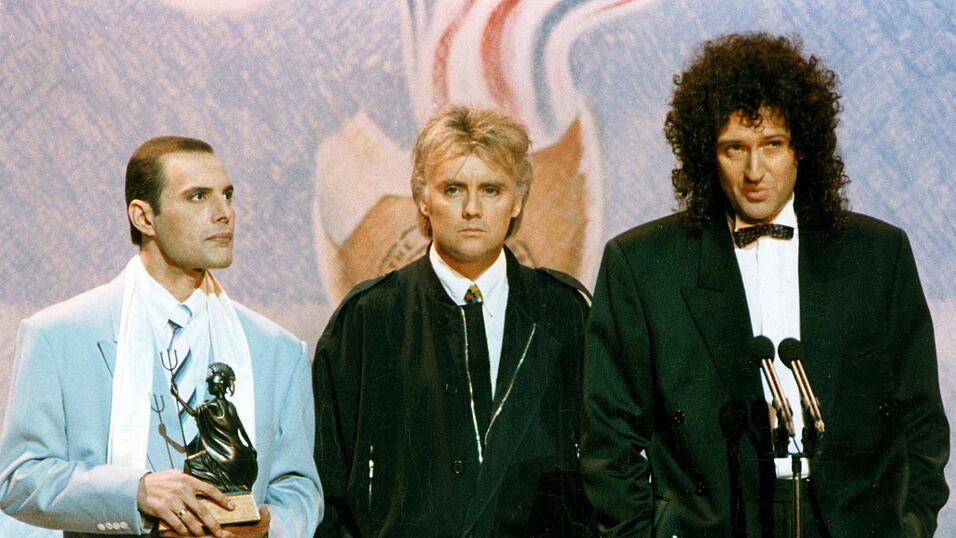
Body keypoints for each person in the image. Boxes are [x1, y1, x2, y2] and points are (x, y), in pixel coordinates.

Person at [581, 33, 949, 537]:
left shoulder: (877, 255)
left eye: (771, 145)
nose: (755, 171)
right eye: (735, 148)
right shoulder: (643, 266)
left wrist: (907, 527)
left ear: (802, 148)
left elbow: (921, 424)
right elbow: (609, 443)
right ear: (705, 154)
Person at [0, 136, 322, 537]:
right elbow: (20, 479)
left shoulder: (278, 351)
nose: (225, 213)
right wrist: (136, 492)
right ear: (143, 217)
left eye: (227, 195)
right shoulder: (58, 336)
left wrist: (270, 530)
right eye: (198, 197)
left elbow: (300, 488)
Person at [313, 105, 592, 536]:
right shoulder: (368, 320)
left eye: (492, 190)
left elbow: (600, 470)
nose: (472, 210)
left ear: (518, 199)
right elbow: (328, 486)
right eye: (453, 189)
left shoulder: (565, 312)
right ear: (423, 198)